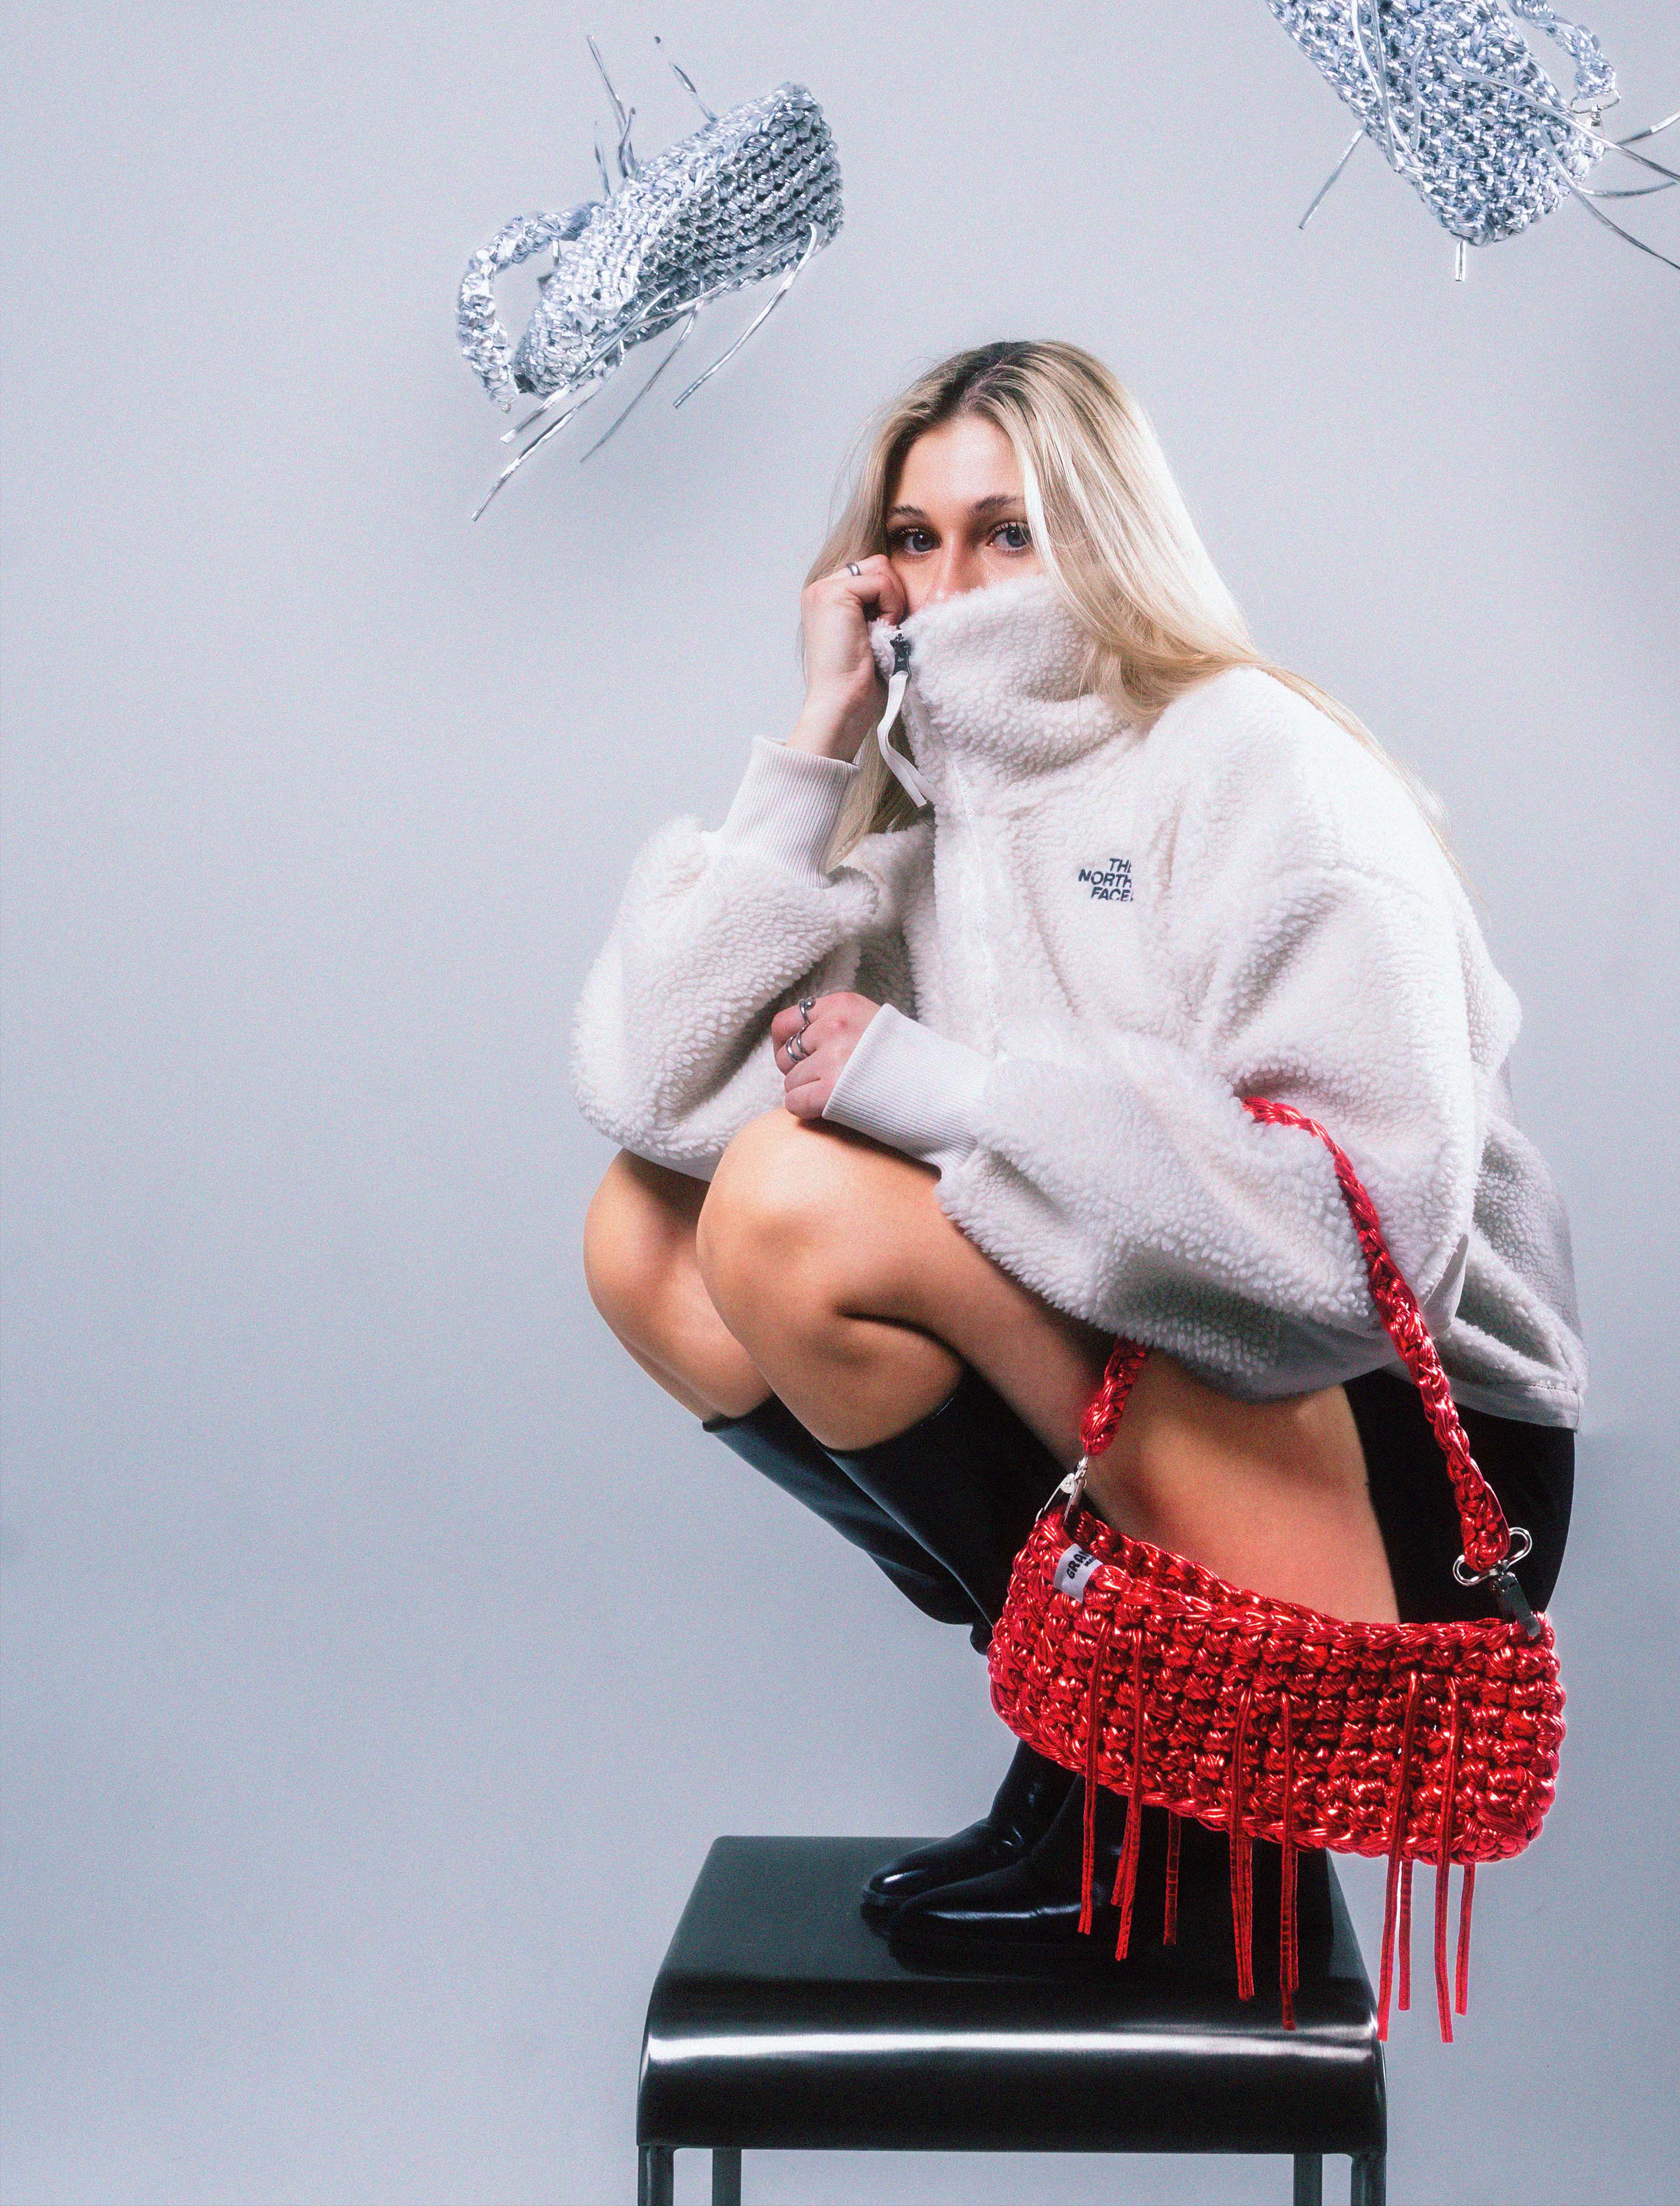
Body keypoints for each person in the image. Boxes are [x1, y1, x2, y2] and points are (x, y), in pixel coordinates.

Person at [576, 341, 1583, 1975]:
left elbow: (1356, 1253)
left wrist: (952, 1094)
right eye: (914, 539)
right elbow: (653, 1084)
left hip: (1402, 1451)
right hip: (1167, 1398)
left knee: (786, 1201)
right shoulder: (947, 823)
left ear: (1105, 537)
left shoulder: (1254, 756)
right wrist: (818, 740)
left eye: (1009, 533)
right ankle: (1096, 1731)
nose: (953, 586)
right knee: (646, 1234)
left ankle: (1153, 1796)